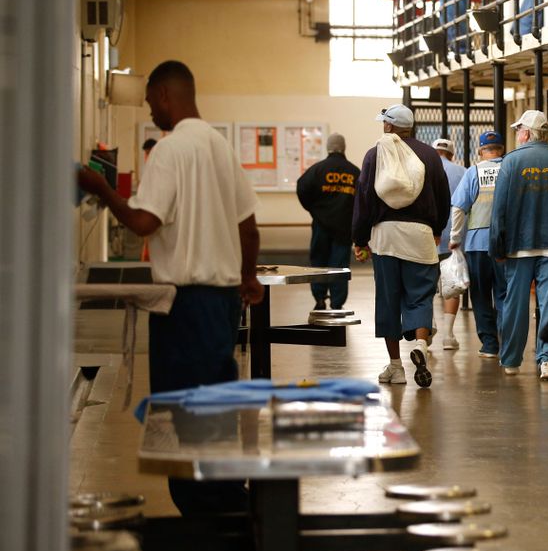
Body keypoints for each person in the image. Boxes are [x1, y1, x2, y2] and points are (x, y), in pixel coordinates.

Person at [77, 60, 263, 516]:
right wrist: (247, 277)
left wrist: (100, 187)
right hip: (221, 306)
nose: (151, 112)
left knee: (182, 427)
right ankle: (231, 516)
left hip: (184, 308)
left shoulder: (169, 149)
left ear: (164, 94)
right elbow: (249, 226)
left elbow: (144, 221)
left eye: (149, 101)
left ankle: (210, 530)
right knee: (213, 416)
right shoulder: (220, 146)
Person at [352, 104, 450, 388]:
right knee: (420, 295)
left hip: (385, 237)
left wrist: (360, 239)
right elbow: (443, 196)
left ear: (389, 126)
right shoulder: (430, 155)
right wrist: (437, 229)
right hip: (420, 235)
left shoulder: (375, 154)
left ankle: (396, 367)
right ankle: (420, 345)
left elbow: (364, 198)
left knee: (388, 300)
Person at [489, 109, 548, 380]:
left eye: (519, 129)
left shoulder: (511, 161)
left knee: (515, 306)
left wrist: (497, 246)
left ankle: (510, 361)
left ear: (527, 133)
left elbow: (500, 209)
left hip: (518, 246)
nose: (517, 134)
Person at [449, 130, 507, 358]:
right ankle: (507, 342)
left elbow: (459, 208)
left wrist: (455, 239)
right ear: (501, 149)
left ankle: (490, 345)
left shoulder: (474, 171)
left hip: (476, 245)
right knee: (504, 293)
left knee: (481, 295)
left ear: (480, 151)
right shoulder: (509, 169)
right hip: (505, 244)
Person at [296, 133, 359, 310]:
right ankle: (337, 303)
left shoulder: (318, 170)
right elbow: (363, 199)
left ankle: (320, 298)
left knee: (318, 262)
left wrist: (314, 210)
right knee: (339, 265)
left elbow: (302, 187)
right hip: (344, 227)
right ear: (344, 148)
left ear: (328, 147)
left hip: (320, 226)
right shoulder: (354, 172)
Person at [433, 137, 467, 350]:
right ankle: (448, 335)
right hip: (452, 239)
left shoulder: (423, 168)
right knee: (451, 285)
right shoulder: (462, 172)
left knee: (425, 287)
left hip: (426, 236)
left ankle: (426, 332)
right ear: (452, 154)